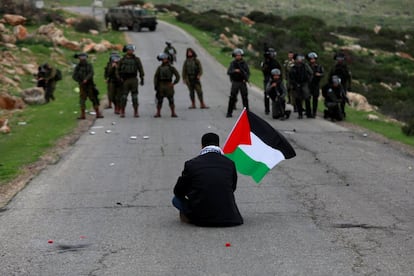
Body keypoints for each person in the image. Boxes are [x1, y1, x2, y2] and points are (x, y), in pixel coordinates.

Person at [173, 132, 244, 227]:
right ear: (218, 145)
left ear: (202, 146)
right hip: (229, 218)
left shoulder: (191, 164)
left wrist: (192, 193)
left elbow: (178, 191)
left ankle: (189, 218)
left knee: (176, 200)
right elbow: (232, 188)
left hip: (201, 218)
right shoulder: (229, 163)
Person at [72, 53, 103, 120]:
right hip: (82, 86)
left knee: (94, 99)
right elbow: (74, 76)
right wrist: (80, 80)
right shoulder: (77, 67)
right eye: (81, 57)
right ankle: (83, 115)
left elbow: (91, 73)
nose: (83, 59)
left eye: (84, 57)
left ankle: (98, 113)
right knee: (82, 100)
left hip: (90, 85)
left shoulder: (89, 65)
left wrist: (86, 79)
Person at [118, 44, 145, 118]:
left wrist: (142, 78)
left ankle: (136, 111)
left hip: (133, 79)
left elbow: (140, 69)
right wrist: (119, 78)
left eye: (132, 50)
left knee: (134, 96)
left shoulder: (136, 59)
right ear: (126, 51)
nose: (131, 51)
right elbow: (117, 70)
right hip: (125, 80)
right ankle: (122, 111)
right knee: (124, 96)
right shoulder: (122, 60)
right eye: (129, 50)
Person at [153, 53, 180, 118]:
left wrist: (174, 83)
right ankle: (158, 113)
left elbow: (178, 76)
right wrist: (156, 86)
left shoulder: (171, 68)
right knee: (159, 100)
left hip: (169, 85)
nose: (164, 60)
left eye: (165, 59)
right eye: (163, 59)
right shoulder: (159, 68)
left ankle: (173, 113)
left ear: (168, 59)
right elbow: (156, 77)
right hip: (161, 85)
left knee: (171, 100)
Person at [226, 48, 250, 118]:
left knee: (245, 98)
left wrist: (246, 78)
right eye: (237, 55)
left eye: (240, 55)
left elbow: (247, 73)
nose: (238, 57)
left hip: (242, 82)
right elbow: (229, 72)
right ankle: (229, 112)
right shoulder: (233, 63)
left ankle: (247, 114)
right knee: (232, 97)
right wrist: (235, 71)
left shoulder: (244, 63)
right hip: (235, 82)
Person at [289, 53, 313, 119]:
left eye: (301, 58)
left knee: (307, 98)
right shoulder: (293, 67)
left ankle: (308, 113)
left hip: (304, 83)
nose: (299, 60)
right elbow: (290, 77)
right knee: (298, 99)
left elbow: (311, 73)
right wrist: (293, 84)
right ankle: (300, 114)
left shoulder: (305, 66)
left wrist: (308, 81)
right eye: (298, 58)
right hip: (296, 84)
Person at [329, 52, 352, 117]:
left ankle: (342, 111)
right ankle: (333, 111)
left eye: (341, 59)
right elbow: (330, 75)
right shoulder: (334, 67)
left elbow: (349, 76)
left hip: (343, 84)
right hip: (334, 84)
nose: (339, 60)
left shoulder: (345, 67)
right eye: (338, 58)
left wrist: (349, 85)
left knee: (343, 98)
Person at [261, 47, 282, 115]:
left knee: (277, 93)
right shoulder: (265, 62)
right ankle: (267, 109)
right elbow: (264, 70)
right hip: (267, 79)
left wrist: (279, 80)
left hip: (276, 79)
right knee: (267, 93)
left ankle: (278, 108)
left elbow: (280, 71)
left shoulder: (276, 62)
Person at [307, 52, 324, 118]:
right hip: (308, 84)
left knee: (315, 99)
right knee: (307, 98)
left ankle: (314, 112)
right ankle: (308, 112)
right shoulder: (307, 66)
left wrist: (319, 74)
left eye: (313, 59)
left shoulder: (319, 66)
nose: (312, 60)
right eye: (311, 59)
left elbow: (323, 73)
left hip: (316, 84)